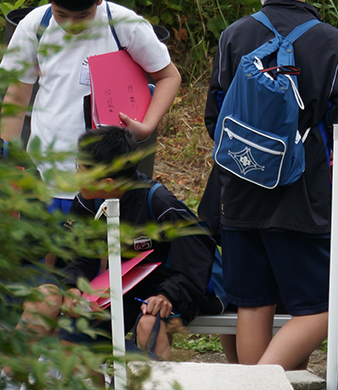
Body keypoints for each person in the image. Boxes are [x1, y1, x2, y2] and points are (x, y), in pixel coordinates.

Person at [204, 0, 338, 370]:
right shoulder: (332, 43)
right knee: (326, 305)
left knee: (253, 304)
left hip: (239, 190)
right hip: (303, 199)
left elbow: (214, 120)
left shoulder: (234, 37)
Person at [0, 0, 181, 213]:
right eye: (62, 14)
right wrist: (10, 164)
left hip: (105, 180)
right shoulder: (35, 26)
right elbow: (16, 99)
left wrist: (147, 126)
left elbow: (168, 76)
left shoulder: (123, 24)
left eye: (82, 16)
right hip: (44, 173)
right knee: (44, 250)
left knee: (98, 252)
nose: (71, 25)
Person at [20, 127, 215, 361]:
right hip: (118, 291)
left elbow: (196, 255)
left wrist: (168, 296)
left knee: (149, 325)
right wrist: (73, 285)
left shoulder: (158, 201)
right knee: (75, 332)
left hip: (164, 290)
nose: (75, 177)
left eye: (81, 171)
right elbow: (78, 254)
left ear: (108, 182)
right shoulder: (87, 201)